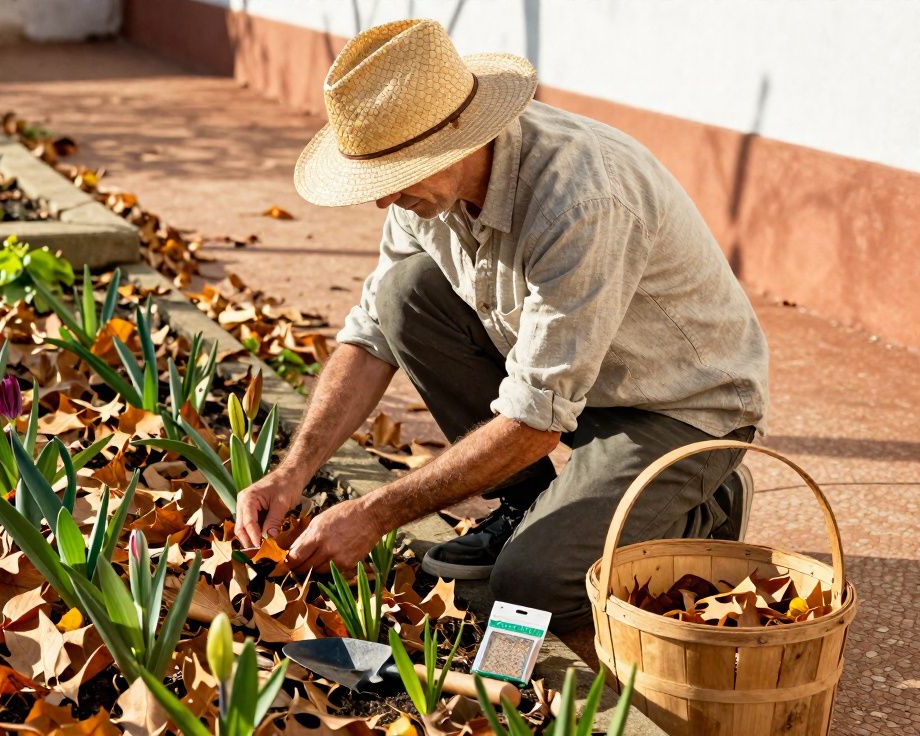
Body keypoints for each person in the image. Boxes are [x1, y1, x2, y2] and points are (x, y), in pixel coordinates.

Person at [233, 18, 769, 631]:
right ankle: (527, 504)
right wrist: (292, 471)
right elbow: (372, 334)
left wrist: (376, 514)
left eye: (391, 178)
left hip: (677, 406)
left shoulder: (580, 201)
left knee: (532, 585)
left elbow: (533, 420)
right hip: (577, 385)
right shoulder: (428, 190)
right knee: (403, 296)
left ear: (457, 141)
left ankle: (705, 504)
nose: (381, 201)